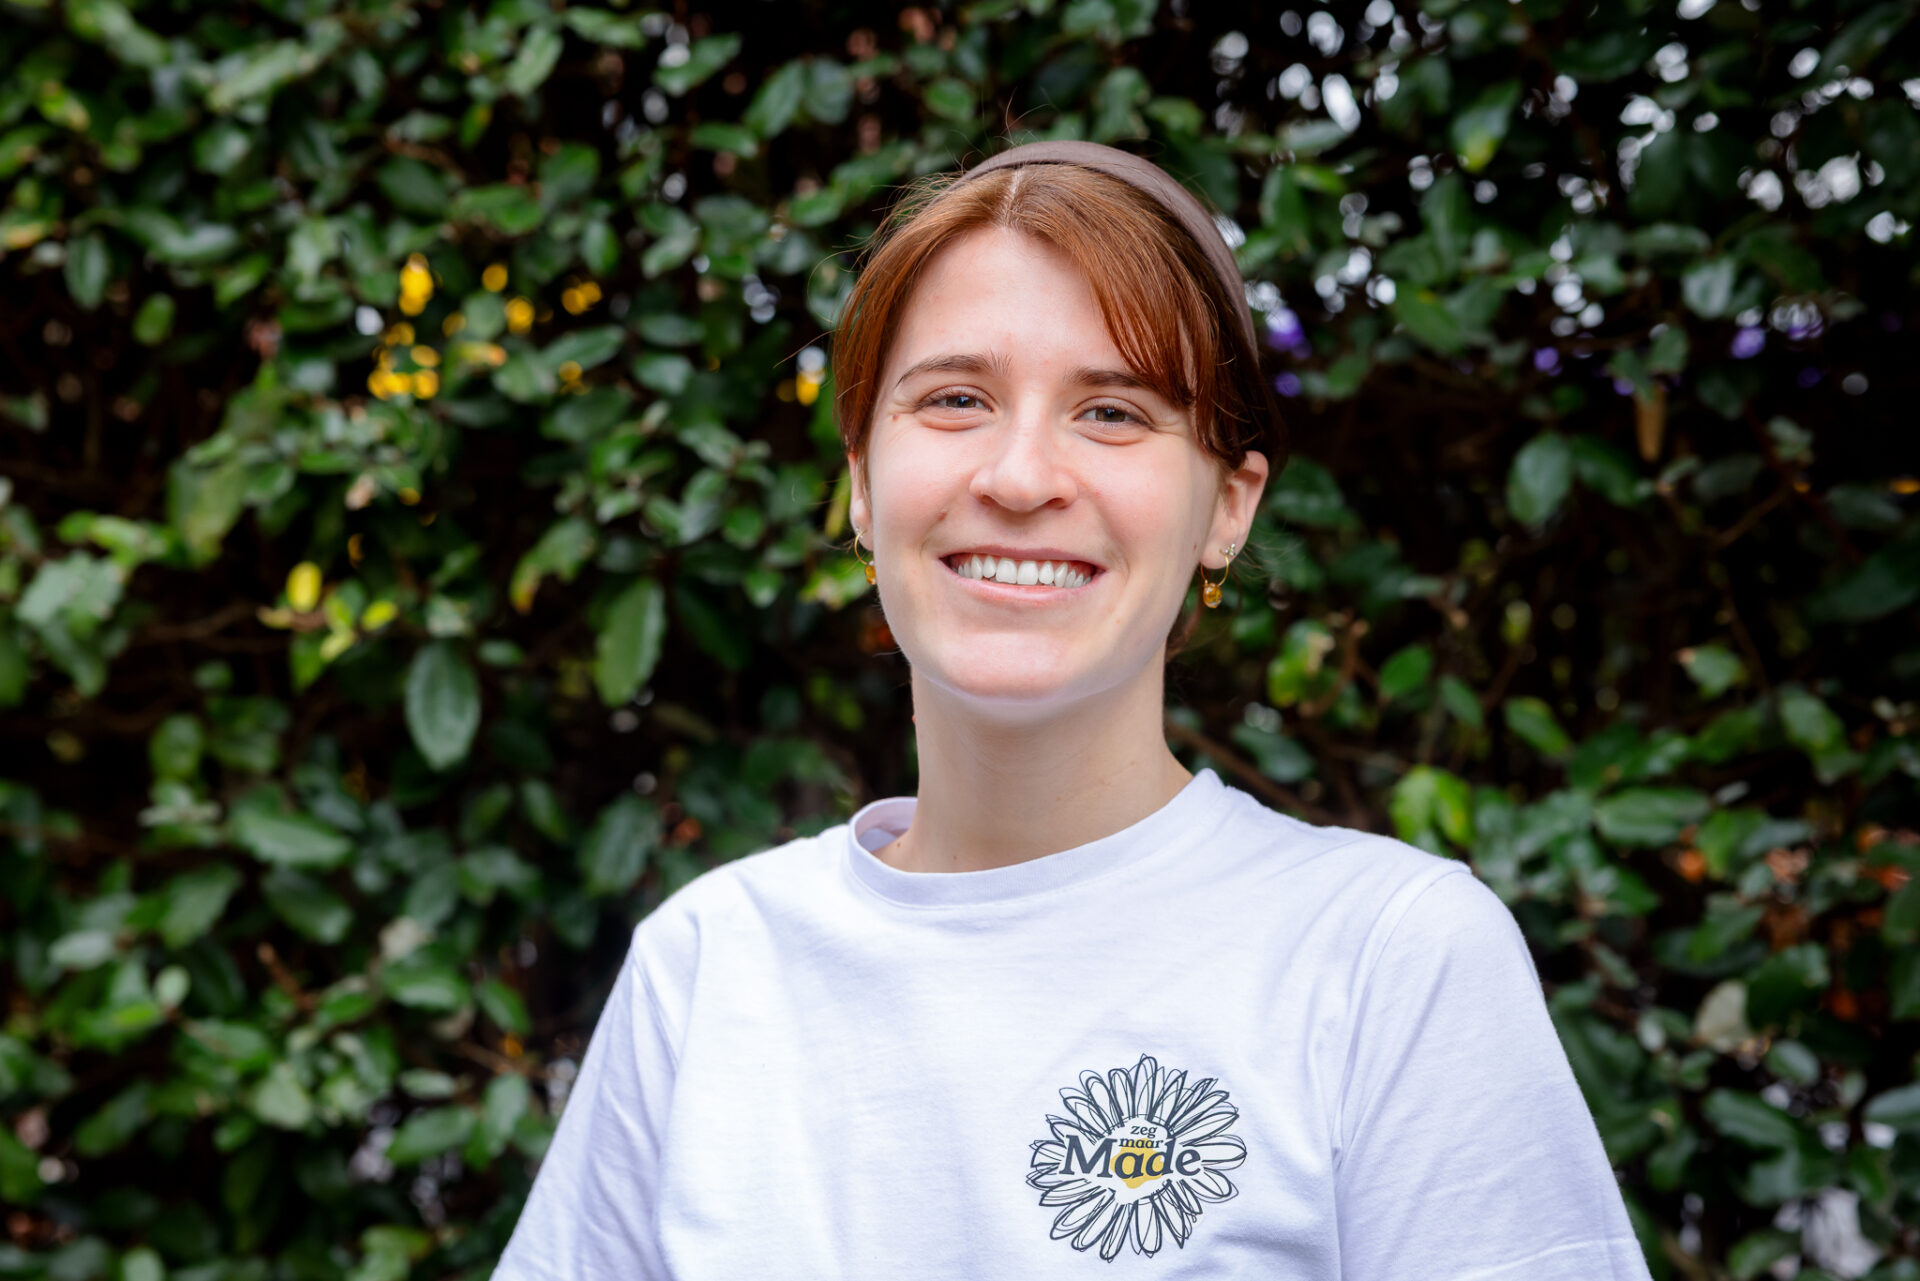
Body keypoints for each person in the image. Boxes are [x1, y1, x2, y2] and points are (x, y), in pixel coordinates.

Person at [491, 141, 1653, 1280]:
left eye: (1113, 412)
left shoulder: (1390, 960)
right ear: (860, 481)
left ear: (1228, 507)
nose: (1019, 476)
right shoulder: (709, 966)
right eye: (956, 398)